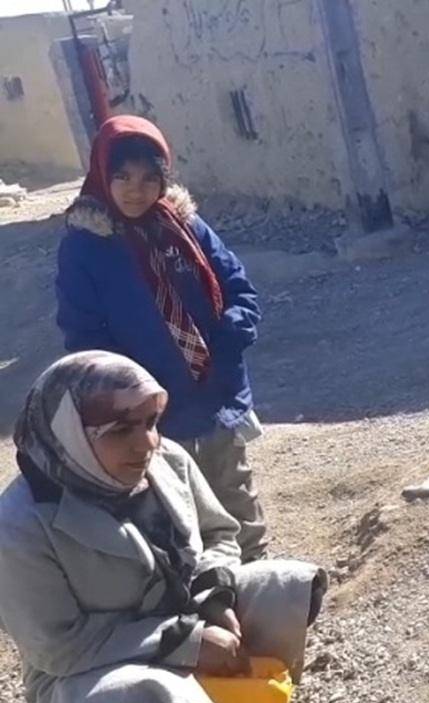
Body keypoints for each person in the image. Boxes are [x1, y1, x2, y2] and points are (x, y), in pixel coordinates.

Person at [0, 352, 326, 703]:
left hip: (189, 615)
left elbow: (218, 534)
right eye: (119, 429)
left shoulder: (167, 461)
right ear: (69, 434)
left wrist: (216, 598)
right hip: (92, 667)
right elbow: (61, 648)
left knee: (289, 591)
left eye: (151, 423)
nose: (146, 443)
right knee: (150, 702)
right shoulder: (19, 526)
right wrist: (184, 642)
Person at [56, 115, 269, 561]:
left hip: (213, 392)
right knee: (171, 507)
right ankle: (204, 596)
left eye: (150, 178)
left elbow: (236, 287)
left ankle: (259, 584)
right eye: (123, 177)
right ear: (102, 176)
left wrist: (231, 334)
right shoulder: (86, 246)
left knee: (233, 492)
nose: (137, 190)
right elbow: (83, 333)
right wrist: (124, 397)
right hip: (147, 411)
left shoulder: (185, 225)